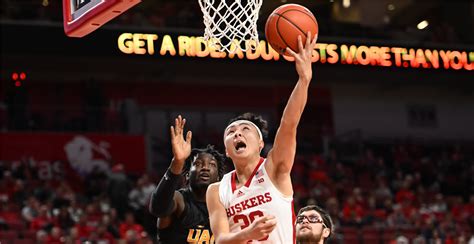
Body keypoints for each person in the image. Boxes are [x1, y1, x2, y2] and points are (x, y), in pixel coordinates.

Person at [206, 32, 318, 243]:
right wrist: (248, 234)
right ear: (227, 151)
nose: (237, 133)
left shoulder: (274, 168)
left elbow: (288, 124)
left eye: (245, 129)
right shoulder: (216, 190)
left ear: (260, 144)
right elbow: (220, 240)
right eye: (230, 132)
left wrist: (304, 80)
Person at [149, 115, 226, 243]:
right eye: (198, 164)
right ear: (187, 175)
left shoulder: (225, 205)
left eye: (212, 165)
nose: (205, 168)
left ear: (218, 178)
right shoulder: (179, 199)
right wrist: (178, 162)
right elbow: (158, 208)